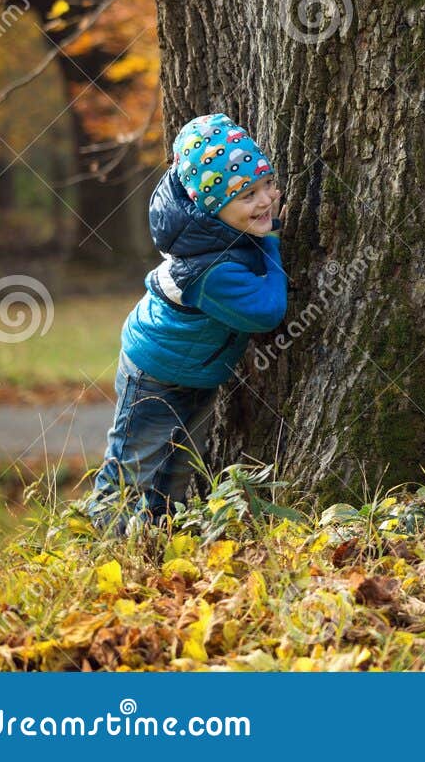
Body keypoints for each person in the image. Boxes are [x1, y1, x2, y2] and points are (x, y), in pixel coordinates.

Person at [84, 113, 287, 535]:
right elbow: (267, 311)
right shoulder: (211, 267)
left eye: (267, 184)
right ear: (212, 208)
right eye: (247, 194)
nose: (266, 201)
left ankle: (156, 544)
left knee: (175, 471)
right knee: (131, 469)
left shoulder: (219, 232)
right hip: (156, 373)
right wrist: (272, 244)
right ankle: (98, 545)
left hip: (192, 372)